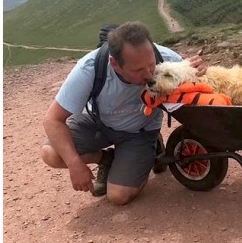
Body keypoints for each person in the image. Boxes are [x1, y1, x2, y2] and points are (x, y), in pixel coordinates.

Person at [41, 21, 206, 205]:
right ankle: (107, 159)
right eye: (137, 70)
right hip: (100, 123)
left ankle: (152, 147)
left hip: (139, 131)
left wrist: (199, 72)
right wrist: (74, 164)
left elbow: (199, 85)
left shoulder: (166, 57)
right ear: (115, 64)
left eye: (151, 65)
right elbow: (52, 120)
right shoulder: (90, 68)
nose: (149, 75)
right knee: (51, 153)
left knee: (118, 196)